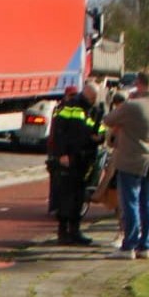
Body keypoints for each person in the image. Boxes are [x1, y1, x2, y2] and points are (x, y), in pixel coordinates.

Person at [103, 68, 149, 259]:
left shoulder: (133, 106)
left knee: (130, 202)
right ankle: (145, 245)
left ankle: (129, 245)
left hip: (131, 159)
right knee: (147, 204)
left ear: (138, 83)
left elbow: (109, 119)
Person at [47, 85, 100, 246]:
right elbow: (58, 132)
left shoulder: (93, 109)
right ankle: (63, 232)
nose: (94, 100)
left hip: (84, 158)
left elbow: (98, 128)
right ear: (88, 94)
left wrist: (100, 137)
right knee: (65, 196)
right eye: (93, 97)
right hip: (69, 158)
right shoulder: (69, 107)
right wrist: (62, 154)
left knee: (78, 196)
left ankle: (74, 231)